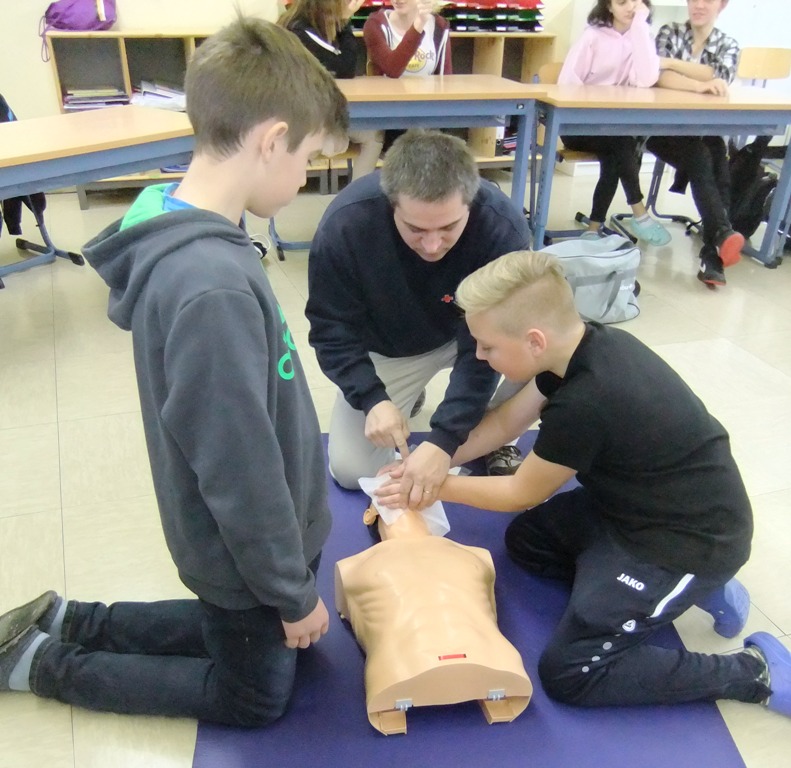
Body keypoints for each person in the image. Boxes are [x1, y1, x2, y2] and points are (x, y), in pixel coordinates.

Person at [0, 17, 348, 726]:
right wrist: (291, 593)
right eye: (308, 157)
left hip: (252, 552)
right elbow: (237, 469)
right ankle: (41, 663)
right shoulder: (208, 284)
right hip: (245, 556)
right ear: (271, 138)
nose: (305, 175)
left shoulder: (177, 221)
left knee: (244, 636)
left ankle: (76, 619)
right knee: (253, 695)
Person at [377, 249, 791, 718]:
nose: (479, 355)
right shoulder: (575, 348)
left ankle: (754, 671)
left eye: (487, 346)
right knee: (528, 542)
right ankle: (666, 594)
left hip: (690, 542)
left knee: (572, 672)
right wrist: (436, 456)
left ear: (534, 340)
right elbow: (505, 424)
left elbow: (520, 492)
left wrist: (436, 487)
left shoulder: (588, 400)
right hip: (634, 509)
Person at [305, 129, 531, 507]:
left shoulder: (501, 228)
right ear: (390, 203)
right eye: (415, 229)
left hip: (477, 338)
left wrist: (445, 441)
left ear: (471, 203)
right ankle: (404, 396)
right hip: (396, 346)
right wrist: (373, 398)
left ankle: (496, 438)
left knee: (541, 347)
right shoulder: (347, 225)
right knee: (350, 468)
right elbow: (331, 330)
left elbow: (483, 350)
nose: (431, 245)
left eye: (448, 228)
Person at [335, 505, 533, 735]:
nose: (405, 504)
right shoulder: (477, 555)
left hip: (405, 674)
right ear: (371, 515)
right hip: (415, 669)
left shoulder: (354, 567)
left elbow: (346, 612)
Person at [646, 0, 743, 288]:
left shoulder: (729, 44)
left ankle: (714, 254)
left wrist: (675, 66)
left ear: (722, 6)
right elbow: (659, 76)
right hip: (661, 131)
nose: (699, 5)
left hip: (704, 132)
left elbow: (721, 80)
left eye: (708, 0)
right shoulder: (669, 32)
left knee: (714, 153)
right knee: (705, 153)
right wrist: (700, 80)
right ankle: (721, 234)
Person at [558, 0, 671, 246]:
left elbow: (647, 78)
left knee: (617, 148)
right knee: (620, 143)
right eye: (621, 2)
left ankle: (594, 228)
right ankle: (638, 212)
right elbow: (567, 84)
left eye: (636, 1)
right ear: (608, 6)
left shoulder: (641, 36)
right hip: (578, 125)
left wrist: (640, 26)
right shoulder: (592, 37)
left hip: (613, 128)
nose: (630, 7)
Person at [279, 0, 385, 178]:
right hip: (304, 121)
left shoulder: (302, 24)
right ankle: (355, 197)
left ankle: (355, 193)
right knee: (373, 136)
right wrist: (344, 21)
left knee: (373, 132)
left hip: (314, 114)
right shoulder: (299, 31)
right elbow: (345, 67)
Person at [363, 0, 452, 78]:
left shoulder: (439, 26)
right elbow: (392, 70)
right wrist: (418, 27)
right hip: (389, 95)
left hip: (426, 96)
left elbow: (445, 79)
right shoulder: (375, 25)